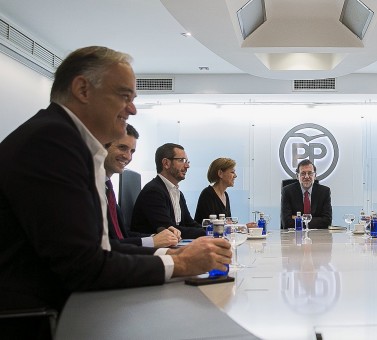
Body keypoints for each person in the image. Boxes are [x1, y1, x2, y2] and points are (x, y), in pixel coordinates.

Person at [0, 46, 232, 325]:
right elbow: (84, 266)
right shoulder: (53, 143)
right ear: (83, 89)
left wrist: (174, 252)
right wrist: (181, 264)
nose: (132, 109)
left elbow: (105, 247)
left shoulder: (63, 140)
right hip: (40, 319)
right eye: (124, 96)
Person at [104, 124, 181, 247]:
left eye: (132, 151)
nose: (128, 157)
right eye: (122, 148)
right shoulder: (89, 188)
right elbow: (103, 246)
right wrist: (152, 241)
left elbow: (123, 235)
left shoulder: (107, 189)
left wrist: (154, 237)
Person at [131, 143, 206, 239]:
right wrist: (208, 233)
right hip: (152, 250)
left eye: (187, 161)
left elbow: (189, 223)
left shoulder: (178, 193)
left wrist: (212, 231)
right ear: (166, 163)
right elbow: (169, 229)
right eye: (182, 160)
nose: (187, 166)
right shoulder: (153, 192)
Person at [194, 157, 257, 227]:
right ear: (220, 173)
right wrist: (243, 227)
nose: (235, 176)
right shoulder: (207, 194)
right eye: (232, 172)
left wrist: (244, 227)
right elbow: (211, 227)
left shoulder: (225, 195)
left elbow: (228, 224)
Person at [281, 159, 332, 229]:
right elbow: (287, 222)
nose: (307, 177)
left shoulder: (324, 192)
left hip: (318, 237)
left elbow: (327, 221)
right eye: (303, 173)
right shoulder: (287, 191)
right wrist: (315, 219)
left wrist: (298, 218)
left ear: (315, 176)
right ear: (297, 176)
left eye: (310, 173)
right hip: (294, 236)